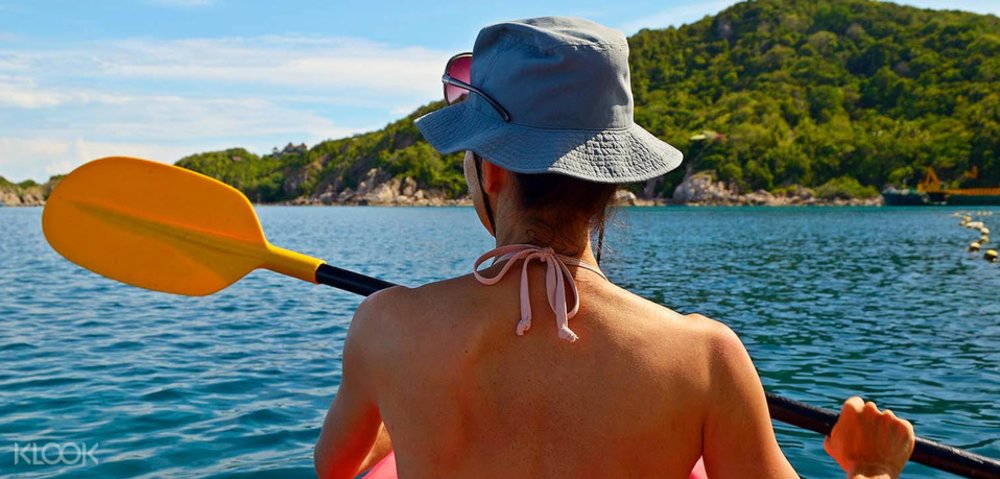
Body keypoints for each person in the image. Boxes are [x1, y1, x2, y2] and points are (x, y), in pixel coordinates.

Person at [314, 17, 915, 479]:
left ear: (491, 169)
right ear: (613, 179)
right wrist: (870, 468)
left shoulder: (384, 325)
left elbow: (337, 467)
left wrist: (404, 400)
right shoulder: (705, 358)